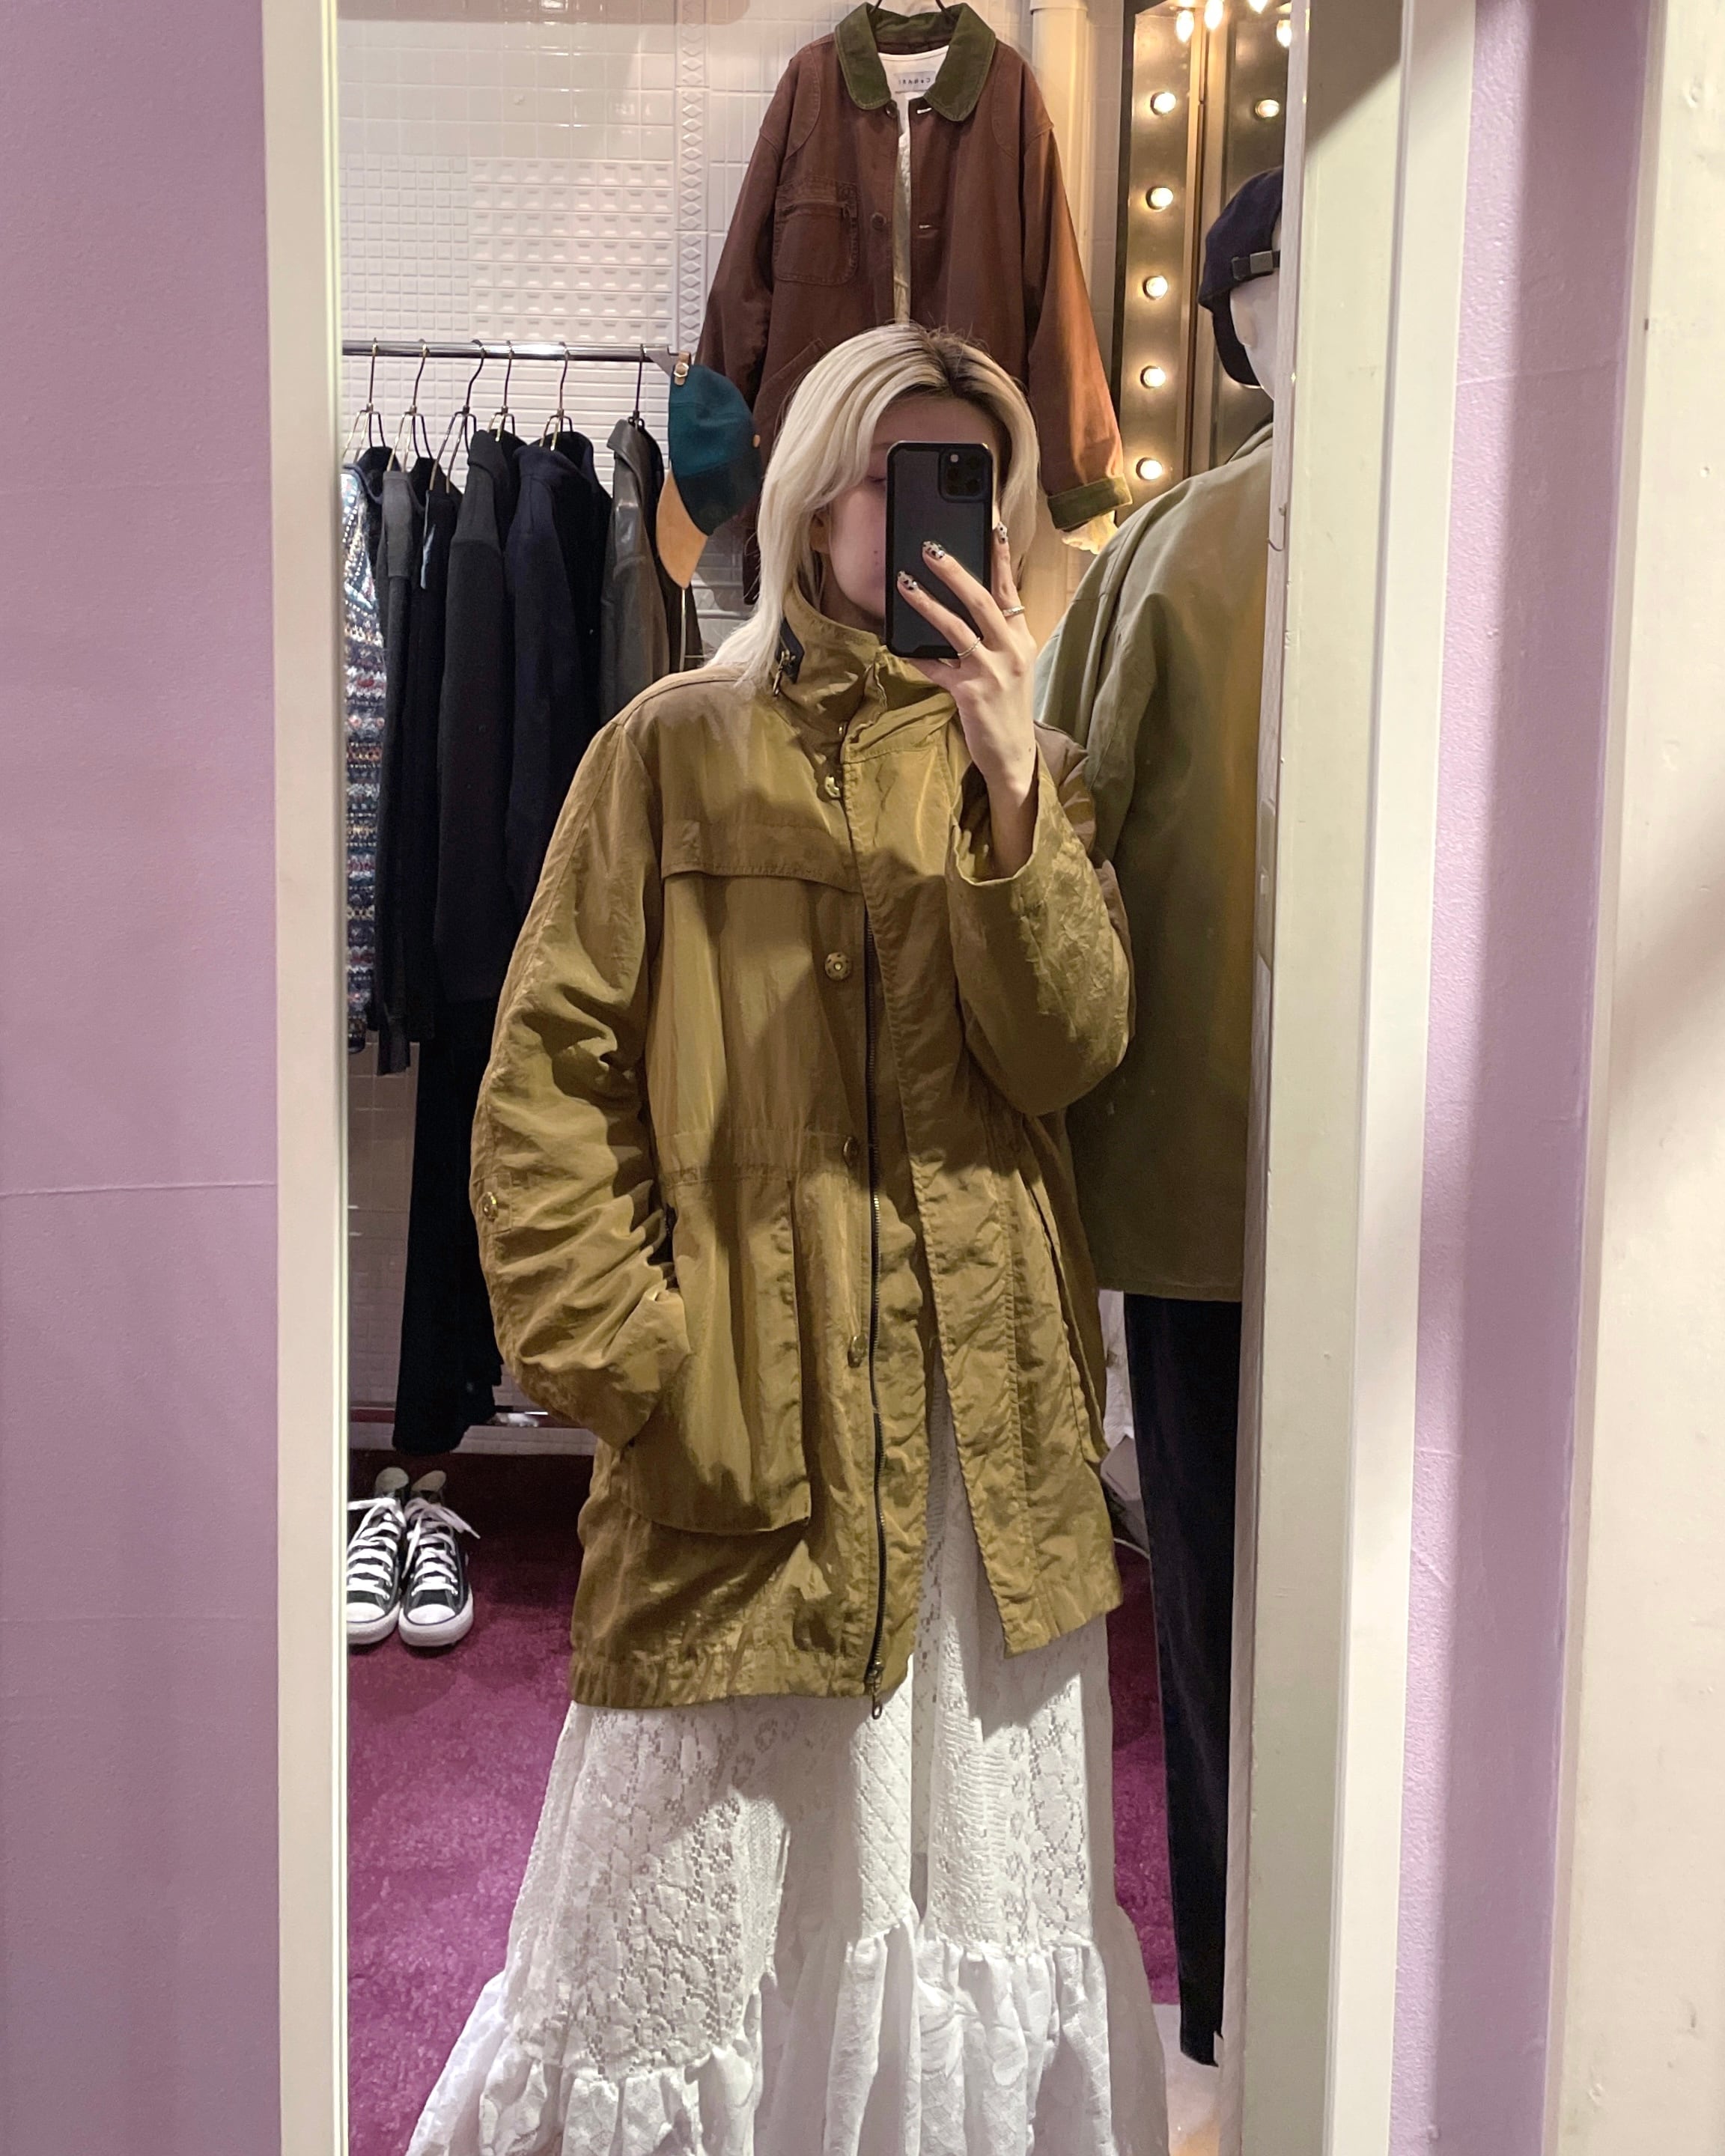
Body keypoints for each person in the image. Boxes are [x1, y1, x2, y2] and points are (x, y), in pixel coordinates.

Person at [405, 323, 1169, 2156]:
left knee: (978, 1906)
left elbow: (1070, 1049)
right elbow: (546, 1086)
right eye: (903, 478)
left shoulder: (1035, 770)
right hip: (749, 1429)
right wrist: (639, 1364)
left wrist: (1007, 788)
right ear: (821, 498)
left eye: (972, 487)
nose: (937, 524)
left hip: (985, 1454)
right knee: (666, 1935)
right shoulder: (667, 752)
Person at [1035, 170, 1283, 2072]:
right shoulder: (1172, 555)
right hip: (1230, 1179)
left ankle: (1260, 2000)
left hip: (1240, 1186)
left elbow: (1065, 841)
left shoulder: (1178, 551)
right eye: (1265, 283)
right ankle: (1261, 2006)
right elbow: (1069, 845)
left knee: (1230, 1601)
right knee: (1226, 1594)